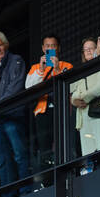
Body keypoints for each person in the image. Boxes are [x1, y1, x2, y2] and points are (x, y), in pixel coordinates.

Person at [0, 30, 29, 189]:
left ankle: (25, 189)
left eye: (0, 45)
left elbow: (15, 87)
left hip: (12, 116)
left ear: (6, 45)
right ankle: (8, 194)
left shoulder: (16, 60)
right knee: (2, 159)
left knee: (19, 154)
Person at [24, 35, 73, 177]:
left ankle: (64, 174)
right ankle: (47, 178)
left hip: (62, 110)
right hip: (42, 111)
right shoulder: (35, 67)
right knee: (44, 147)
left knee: (62, 143)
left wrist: (57, 69)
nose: (50, 49)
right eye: (47, 46)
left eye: (53, 46)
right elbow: (29, 87)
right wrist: (41, 69)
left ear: (59, 48)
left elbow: (71, 86)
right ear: (42, 48)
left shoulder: (67, 66)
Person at [70, 38, 100, 169]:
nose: (88, 51)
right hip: (84, 118)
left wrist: (82, 97)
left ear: (97, 49)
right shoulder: (81, 71)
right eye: (86, 49)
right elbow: (73, 92)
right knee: (88, 156)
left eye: (91, 48)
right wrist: (74, 100)